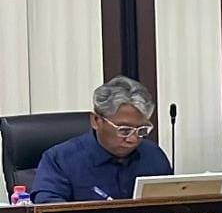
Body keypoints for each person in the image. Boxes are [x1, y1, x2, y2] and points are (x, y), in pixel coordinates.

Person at [29, 76, 173, 203]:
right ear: (96, 121)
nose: (133, 139)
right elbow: (49, 212)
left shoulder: (154, 156)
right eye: (124, 130)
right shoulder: (60, 160)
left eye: (141, 130)